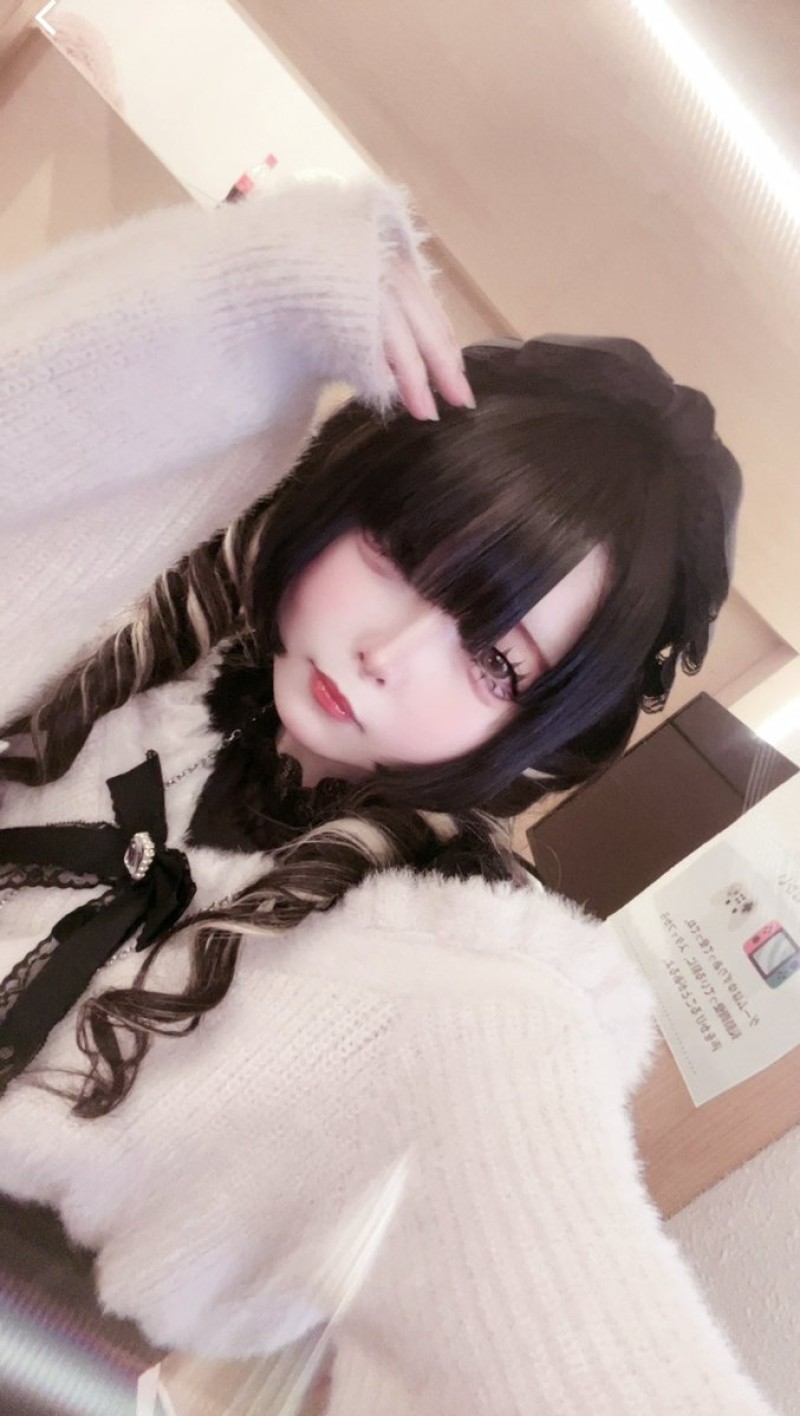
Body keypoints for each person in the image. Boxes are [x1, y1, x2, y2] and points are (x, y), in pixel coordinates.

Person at [0, 174, 774, 1414]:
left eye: (493, 659)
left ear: (540, 728)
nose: (388, 655)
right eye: (401, 554)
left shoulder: (446, 970)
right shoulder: (125, 639)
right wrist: (258, 291)